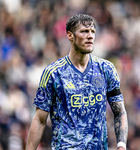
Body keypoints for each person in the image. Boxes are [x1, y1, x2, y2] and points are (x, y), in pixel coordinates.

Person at [26, 14, 128, 150]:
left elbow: (119, 112)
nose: (90, 36)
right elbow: (39, 119)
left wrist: (121, 145)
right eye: (84, 31)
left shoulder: (106, 69)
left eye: (92, 32)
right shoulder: (53, 73)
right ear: (70, 35)